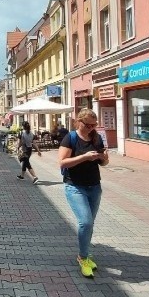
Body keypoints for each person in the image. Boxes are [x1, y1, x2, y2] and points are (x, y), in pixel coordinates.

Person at [58, 108, 109, 278]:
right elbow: (63, 163)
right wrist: (84, 157)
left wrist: (103, 158)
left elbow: (105, 162)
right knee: (85, 223)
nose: (91, 128)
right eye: (87, 125)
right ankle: (83, 257)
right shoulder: (70, 138)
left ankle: (85, 254)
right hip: (75, 186)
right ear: (79, 122)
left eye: (94, 125)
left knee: (89, 224)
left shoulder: (96, 137)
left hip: (94, 186)